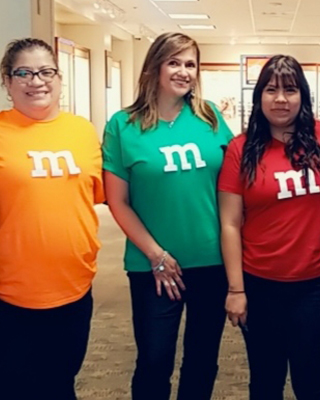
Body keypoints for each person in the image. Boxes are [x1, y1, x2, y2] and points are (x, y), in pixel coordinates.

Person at [0, 38, 105, 400]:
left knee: (60, 383)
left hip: (74, 287)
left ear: (59, 78)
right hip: (8, 293)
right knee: (7, 386)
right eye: (23, 72)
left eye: (46, 71)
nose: (36, 81)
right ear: (7, 82)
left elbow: (95, 195)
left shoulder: (82, 131)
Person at [102, 32, 233, 400]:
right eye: (174, 62)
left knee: (203, 358)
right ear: (155, 67)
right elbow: (118, 202)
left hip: (211, 260)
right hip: (153, 267)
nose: (183, 72)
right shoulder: (123, 125)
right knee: (154, 360)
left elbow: (233, 185)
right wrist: (157, 256)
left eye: (190, 64)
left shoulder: (210, 118)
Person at [218, 55, 320, 400]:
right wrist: (235, 289)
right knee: (265, 381)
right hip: (259, 285)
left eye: (290, 90)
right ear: (259, 96)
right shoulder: (240, 150)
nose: (280, 99)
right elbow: (229, 223)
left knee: (313, 381)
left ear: (302, 95)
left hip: (316, 285)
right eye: (271, 90)